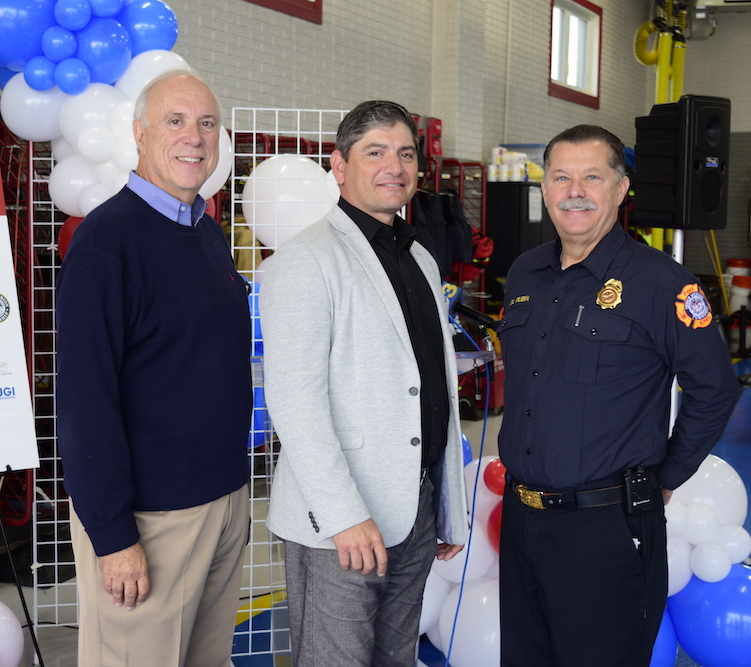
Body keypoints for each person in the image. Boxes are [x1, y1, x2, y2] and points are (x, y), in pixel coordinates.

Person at [496, 124, 741, 667]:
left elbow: (715, 389)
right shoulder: (524, 273)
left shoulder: (663, 283)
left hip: (605, 531)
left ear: (621, 187)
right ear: (544, 189)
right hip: (522, 519)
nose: (574, 190)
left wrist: (667, 476)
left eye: (592, 176)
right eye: (561, 176)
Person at [259, 100, 469, 667]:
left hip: (415, 507)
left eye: (404, 153)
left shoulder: (421, 259)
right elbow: (295, 400)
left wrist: (446, 505)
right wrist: (343, 516)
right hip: (342, 523)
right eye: (375, 152)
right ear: (339, 165)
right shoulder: (305, 260)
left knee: (395, 657)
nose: (393, 166)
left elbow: (431, 391)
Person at [54, 70, 251, 667]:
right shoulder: (105, 244)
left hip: (223, 502)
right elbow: (85, 403)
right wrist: (114, 537)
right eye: (175, 121)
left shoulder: (209, 235)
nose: (195, 137)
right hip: (150, 521)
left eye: (207, 123)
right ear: (139, 134)